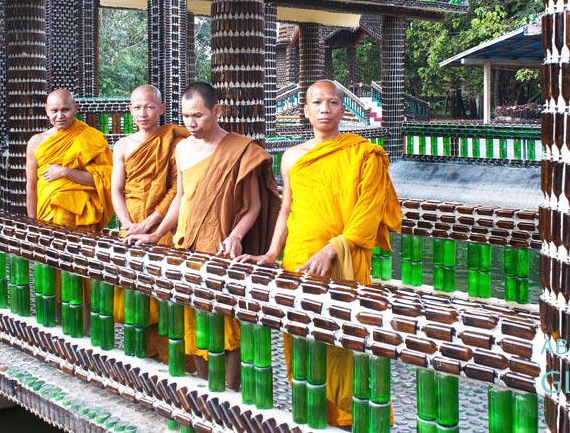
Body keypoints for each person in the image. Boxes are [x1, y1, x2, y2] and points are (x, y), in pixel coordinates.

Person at [238, 79, 401, 427]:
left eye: (331, 103)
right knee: (300, 338)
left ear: (343, 109)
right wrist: (270, 255)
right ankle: (311, 416)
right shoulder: (292, 157)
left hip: (343, 259)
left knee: (346, 338)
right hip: (298, 258)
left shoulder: (364, 153)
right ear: (306, 110)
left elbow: (368, 212)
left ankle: (348, 418)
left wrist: (332, 250)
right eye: (317, 103)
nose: (324, 109)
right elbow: (287, 209)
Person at [126, 81, 279, 387]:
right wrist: (156, 235)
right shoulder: (182, 148)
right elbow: (181, 199)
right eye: (186, 117)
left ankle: (230, 393)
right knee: (191, 320)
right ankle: (205, 393)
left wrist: (236, 236)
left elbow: (255, 206)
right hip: (187, 245)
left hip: (221, 248)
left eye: (198, 116)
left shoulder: (241, 150)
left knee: (225, 323)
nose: (191, 124)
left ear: (216, 111)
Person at [109, 84, 188, 361]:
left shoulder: (175, 142)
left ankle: (173, 360)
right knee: (135, 291)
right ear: (130, 110)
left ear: (162, 109)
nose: (143, 113)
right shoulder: (122, 145)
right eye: (138, 107)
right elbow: (116, 190)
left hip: (164, 224)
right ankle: (139, 355)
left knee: (165, 291)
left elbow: (178, 188)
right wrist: (128, 223)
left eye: (150, 106)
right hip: (130, 225)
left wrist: (151, 222)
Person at [25, 88, 113, 230]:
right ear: (46, 110)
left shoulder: (91, 138)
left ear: (75, 108)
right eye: (54, 111)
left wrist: (65, 172)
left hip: (83, 216)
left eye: (65, 110)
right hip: (47, 214)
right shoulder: (36, 142)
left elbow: (105, 180)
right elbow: (31, 185)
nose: (60, 116)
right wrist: (32, 222)